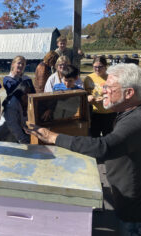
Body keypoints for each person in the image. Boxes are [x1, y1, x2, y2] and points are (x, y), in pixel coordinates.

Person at [26, 63, 141, 235]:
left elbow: (103, 147)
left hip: (133, 211)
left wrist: (52, 137)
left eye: (109, 88)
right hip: (125, 200)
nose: (103, 91)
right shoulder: (128, 112)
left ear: (129, 93)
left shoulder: (136, 120)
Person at [84, 56, 116, 137]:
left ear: (105, 67)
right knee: (94, 138)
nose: (97, 69)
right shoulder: (88, 78)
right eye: (95, 67)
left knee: (109, 138)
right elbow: (85, 93)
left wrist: (105, 99)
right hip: (94, 114)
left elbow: (117, 96)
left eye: (100, 67)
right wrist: (88, 97)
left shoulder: (112, 78)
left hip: (109, 113)